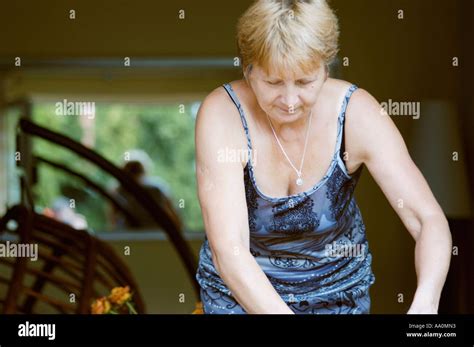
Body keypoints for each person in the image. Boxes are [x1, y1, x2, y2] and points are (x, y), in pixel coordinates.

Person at [194, 0, 452, 314]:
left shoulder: (358, 114)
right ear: (248, 71)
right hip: (239, 293)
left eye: (304, 82)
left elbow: (428, 220)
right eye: (273, 82)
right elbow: (229, 250)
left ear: (325, 69)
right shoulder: (223, 114)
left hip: (338, 293)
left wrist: (425, 303)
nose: (289, 101)